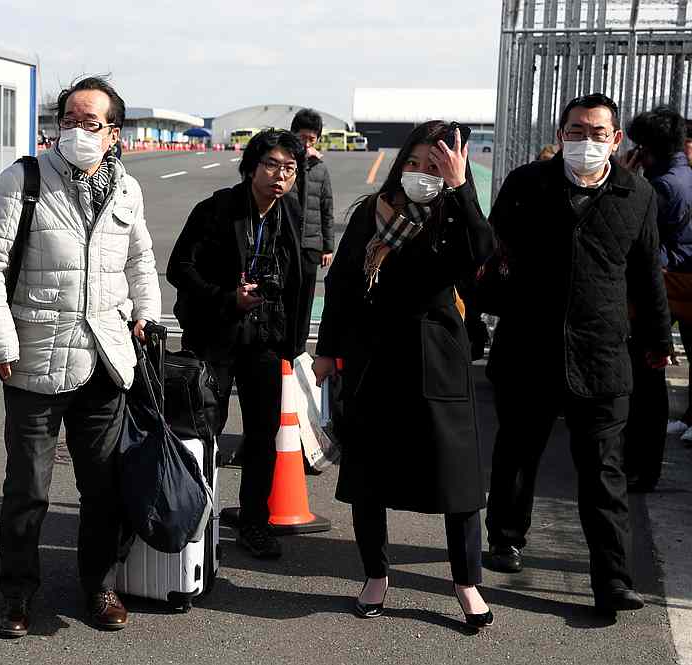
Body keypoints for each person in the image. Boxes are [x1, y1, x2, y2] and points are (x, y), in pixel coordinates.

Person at [0, 76, 161, 638]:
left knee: (103, 487)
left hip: (105, 359)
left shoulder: (125, 187)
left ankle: (99, 584)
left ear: (113, 133)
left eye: (90, 123)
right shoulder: (24, 178)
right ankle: (16, 594)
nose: (76, 131)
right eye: (68, 121)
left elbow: (140, 259)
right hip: (34, 356)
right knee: (28, 487)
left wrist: (146, 311)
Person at [483, 94, 670, 612]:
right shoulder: (526, 185)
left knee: (604, 471)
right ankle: (505, 535)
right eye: (574, 131)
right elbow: (494, 255)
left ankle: (612, 579)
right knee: (518, 451)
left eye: (595, 133)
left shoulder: (638, 194)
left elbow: (646, 274)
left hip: (603, 355)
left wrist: (657, 341)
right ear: (560, 135)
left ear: (615, 140)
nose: (584, 141)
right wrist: (484, 312)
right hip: (528, 350)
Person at [313, 121, 495, 628]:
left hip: (438, 353)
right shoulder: (374, 213)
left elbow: (481, 252)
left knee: (457, 477)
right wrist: (328, 351)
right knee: (370, 473)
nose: (420, 173)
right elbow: (344, 285)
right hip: (375, 354)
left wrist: (458, 189)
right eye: (412, 163)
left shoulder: (454, 212)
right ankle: (376, 574)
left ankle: (466, 582)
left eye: (433, 165)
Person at [167, 128, 307, 560]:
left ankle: (254, 523)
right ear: (251, 167)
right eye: (271, 165)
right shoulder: (217, 209)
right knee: (204, 430)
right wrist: (227, 297)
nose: (279, 176)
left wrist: (295, 342)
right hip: (216, 333)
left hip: (264, 338)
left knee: (264, 435)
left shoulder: (289, 214)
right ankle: (196, 520)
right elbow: (179, 267)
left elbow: (299, 280)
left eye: (289, 168)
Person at [622, 105, 692, 489]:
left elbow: (641, 238)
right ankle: (644, 467)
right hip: (676, 286)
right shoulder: (685, 177)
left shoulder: (661, 186)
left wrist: (625, 178)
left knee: (646, 385)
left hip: (658, 291)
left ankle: (642, 468)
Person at [291, 109, 335, 341]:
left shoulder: (320, 168)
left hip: (311, 245)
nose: (307, 143)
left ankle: (299, 348)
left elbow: (327, 209)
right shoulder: (286, 164)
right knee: (284, 298)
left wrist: (328, 247)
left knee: (306, 300)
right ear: (293, 135)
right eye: (302, 138)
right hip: (286, 244)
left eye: (312, 139)